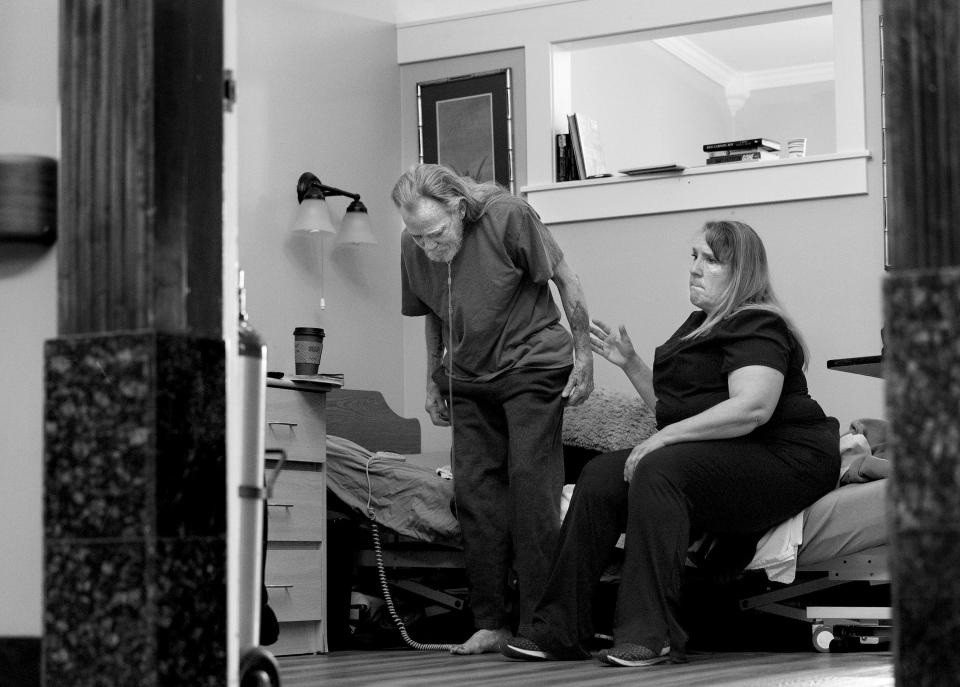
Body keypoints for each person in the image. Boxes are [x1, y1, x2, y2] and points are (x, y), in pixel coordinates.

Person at [502, 219, 840, 668]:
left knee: (659, 467)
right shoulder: (702, 325)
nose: (695, 269)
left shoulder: (757, 323)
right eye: (694, 257)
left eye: (711, 260)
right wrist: (631, 364)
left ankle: (650, 634)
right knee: (601, 474)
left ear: (740, 272)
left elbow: (752, 408)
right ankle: (557, 630)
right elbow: (676, 412)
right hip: (742, 451)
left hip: (790, 457)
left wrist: (659, 444)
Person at [391, 163, 594, 655]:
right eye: (417, 237)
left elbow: (566, 281)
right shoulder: (414, 245)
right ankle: (492, 623)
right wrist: (432, 378)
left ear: (459, 208)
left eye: (435, 234)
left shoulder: (508, 216)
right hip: (467, 377)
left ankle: (544, 625)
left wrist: (584, 355)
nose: (428, 246)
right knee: (477, 497)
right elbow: (434, 311)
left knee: (530, 487)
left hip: (531, 364)